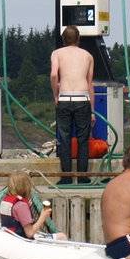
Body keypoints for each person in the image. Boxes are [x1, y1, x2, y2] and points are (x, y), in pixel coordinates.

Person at [49, 25, 95, 185]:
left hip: (64, 98)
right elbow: (90, 85)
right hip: (83, 99)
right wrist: (92, 111)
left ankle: (66, 176)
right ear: (78, 39)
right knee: (83, 139)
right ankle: (83, 176)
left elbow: (54, 74)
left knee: (64, 138)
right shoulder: (88, 56)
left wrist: (56, 93)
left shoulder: (57, 54)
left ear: (63, 40)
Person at [0, 170, 53, 238]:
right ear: (26, 187)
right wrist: (43, 216)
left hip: (9, 236)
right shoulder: (21, 205)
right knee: (62, 236)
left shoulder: (5, 201)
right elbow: (29, 233)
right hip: (21, 239)